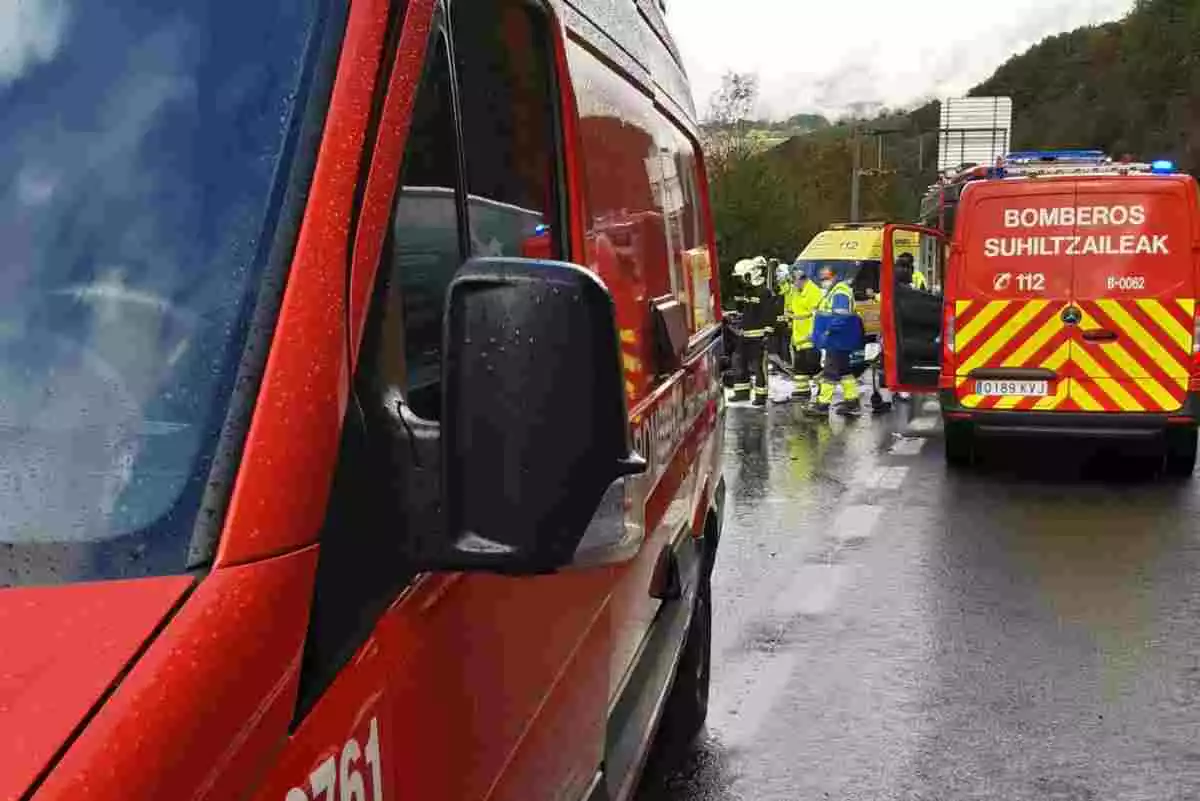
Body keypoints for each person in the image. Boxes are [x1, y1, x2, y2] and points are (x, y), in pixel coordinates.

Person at [809, 265, 865, 416]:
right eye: (822, 279)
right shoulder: (835, 291)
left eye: (826, 278)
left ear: (834, 277)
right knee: (844, 371)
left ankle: (822, 404)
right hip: (840, 338)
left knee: (830, 372)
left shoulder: (839, 292)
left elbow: (841, 317)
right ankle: (852, 401)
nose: (823, 282)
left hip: (837, 338)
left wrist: (827, 331)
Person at [729, 257, 772, 406]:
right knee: (739, 363)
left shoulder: (764, 292)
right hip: (744, 335)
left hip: (758, 337)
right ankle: (741, 392)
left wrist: (767, 335)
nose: (741, 280)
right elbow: (744, 311)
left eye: (742, 276)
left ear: (750, 274)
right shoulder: (748, 291)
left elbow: (768, 315)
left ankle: (761, 395)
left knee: (759, 367)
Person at [786, 265, 822, 402]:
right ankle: (803, 390)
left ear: (802, 279)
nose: (792, 283)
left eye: (793, 280)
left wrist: (813, 334)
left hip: (810, 337)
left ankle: (824, 389)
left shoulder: (813, 292)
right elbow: (794, 310)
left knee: (813, 366)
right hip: (799, 337)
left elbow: (816, 316)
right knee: (800, 368)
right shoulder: (796, 291)